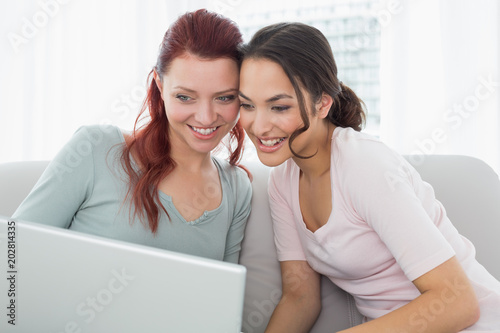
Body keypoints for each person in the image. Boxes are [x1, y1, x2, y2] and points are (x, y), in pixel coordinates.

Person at [238, 22, 500, 332]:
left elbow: (458, 302)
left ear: (322, 103)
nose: (259, 125)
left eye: (279, 107)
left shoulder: (364, 166)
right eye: (247, 105)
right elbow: (300, 297)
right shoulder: (283, 180)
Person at [12, 9, 252, 264]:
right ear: (160, 87)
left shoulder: (237, 189)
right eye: (185, 97)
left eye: (224, 97)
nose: (205, 117)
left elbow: (222, 295)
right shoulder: (95, 149)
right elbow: (12, 254)